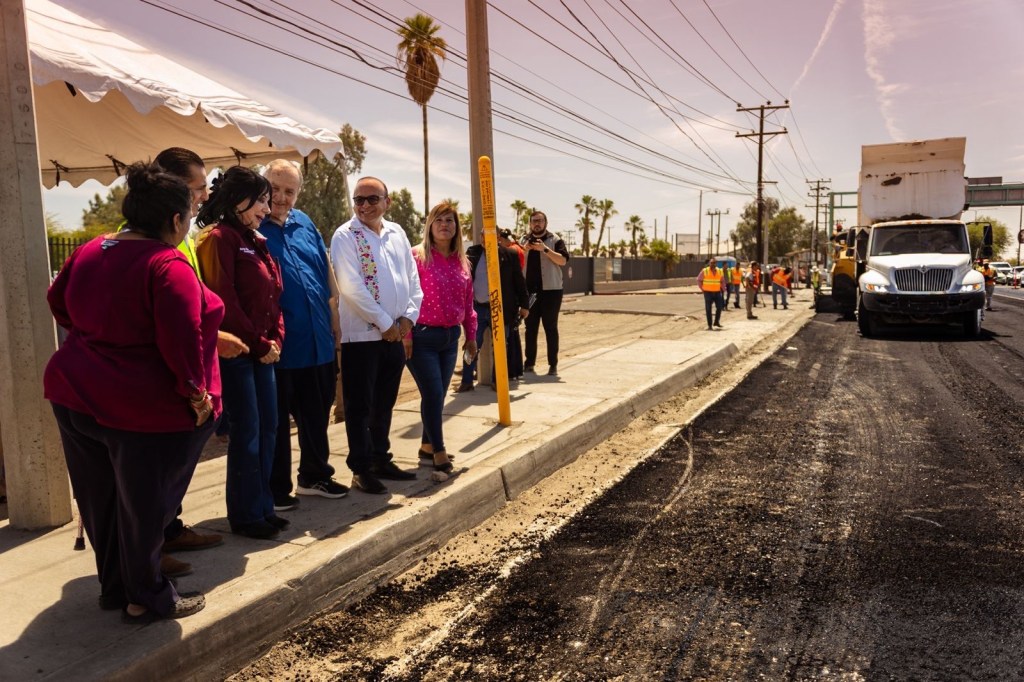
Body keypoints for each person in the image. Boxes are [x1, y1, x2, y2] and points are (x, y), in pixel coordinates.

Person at [44, 161, 218, 623]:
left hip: (72, 392)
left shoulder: (88, 251)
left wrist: (97, 338)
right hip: (135, 407)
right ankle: (147, 597)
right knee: (142, 507)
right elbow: (182, 341)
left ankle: (114, 588)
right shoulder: (167, 264)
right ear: (175, 221)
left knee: (98, 500)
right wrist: (197, 394)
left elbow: (57, 303)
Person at [151, 147, 233, 574]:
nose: (204, 195)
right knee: (158, 472)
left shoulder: (181, 234)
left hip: (195, 368)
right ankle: (149, 552)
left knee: (176, 468)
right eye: (198, 187)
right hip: (172, 380)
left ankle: (170, 528)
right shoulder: (150, 239)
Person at [196, 166, 286, 539]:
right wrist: (260, 343)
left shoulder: (255, 239)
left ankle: (263, 505)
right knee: (247, 431)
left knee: (269, 428)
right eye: (261, 199)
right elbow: (224, 301)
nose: (268, 208)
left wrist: (275, 336)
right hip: (238, 353)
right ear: (238, 200)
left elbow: (273, 294)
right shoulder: (220, 239)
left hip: (262, 351)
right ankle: (246, 515)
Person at [258, 160, 348, 511]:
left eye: (289, 191)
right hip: (281, 346)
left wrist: (335, 316)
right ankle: (277, 489)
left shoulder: (305, 222)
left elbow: (325, 269)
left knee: (316, 414)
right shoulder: (252, 225)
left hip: (317, 340)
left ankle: (314, 475)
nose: (280, 198)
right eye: (274, 189)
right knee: (277, 424)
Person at [331, 176, 422, 495]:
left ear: (387, 201)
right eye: (359, 200)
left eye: (372, 199)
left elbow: (412, 277)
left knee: (385, 402)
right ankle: (361, 468)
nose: (365, 206)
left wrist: (409, 318)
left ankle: (381, 458)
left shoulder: (397, 232)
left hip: (395, 335)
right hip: (363, 338)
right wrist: (385, 323)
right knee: (359, 406)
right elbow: (351, 287)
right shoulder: (345, 236)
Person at [405, 203, 477, 473]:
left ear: (457, 227)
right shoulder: (417, 256)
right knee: (434, 393)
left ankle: (425, 445)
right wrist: (407, 335)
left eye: (450, 220)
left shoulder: (463, 262)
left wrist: (471, 336)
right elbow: (405, 298)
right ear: (430, 226)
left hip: (450, 339)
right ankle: (439, 450)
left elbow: (468, 303)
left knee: (437, 395)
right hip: (421, 338)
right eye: (439, 220)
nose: (445, 224)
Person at [457, 228, 530, 393]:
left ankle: (498, 381)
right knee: (471, 345)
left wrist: (525, 305)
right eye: (483, 235)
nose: (485, 238)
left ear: (497, 237)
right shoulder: (473, 252)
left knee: (501, 347)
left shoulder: (509, 254)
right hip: (477, 309)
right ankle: (467, 381)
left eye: (490, 235)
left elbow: (519, 281)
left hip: (501, 310)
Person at [522, 211, 570, 376]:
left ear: (546, 223)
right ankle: (529, 364)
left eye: (540, 221)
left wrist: (545, 249)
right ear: (530, 224)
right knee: (530, 328)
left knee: (550, 327)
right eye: (534, 221)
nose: (537, 223)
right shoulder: (523, 240)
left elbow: (563, 261)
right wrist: (525, 250)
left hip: (551, 291)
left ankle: (553, 365)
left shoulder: (555, 240)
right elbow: (516, 261)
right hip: (530, 293)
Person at [697, 257, 725, 330]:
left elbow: (722, 281)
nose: (713, 264)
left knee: (719, 307)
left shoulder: (720, 271)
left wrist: (723, 289)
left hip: (717, 292)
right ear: (709, 263)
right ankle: (709, 325)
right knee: (708, 309)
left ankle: (716, 322)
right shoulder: (705, 271)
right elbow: (699, 280)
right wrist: (702, 289)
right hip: (708, 293)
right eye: (711, 263)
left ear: (716, 264)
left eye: (714, 263)